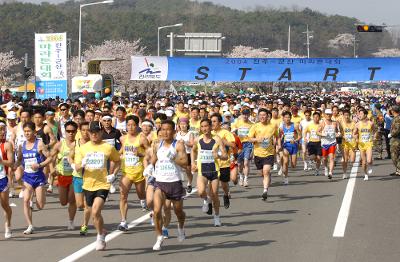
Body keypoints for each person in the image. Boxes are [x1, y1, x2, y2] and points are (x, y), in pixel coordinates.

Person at [74, 121, 121, 251]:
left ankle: (100, 236)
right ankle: (101, 231)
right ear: (88, 133)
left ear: (101, 132)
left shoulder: (107, 147)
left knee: (95, 211)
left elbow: (117, 161)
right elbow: (76, 167)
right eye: (91, 132)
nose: (94, 134)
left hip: (103, 184)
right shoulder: (83, 148)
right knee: (95, 215)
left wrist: (113, 175)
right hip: (88, 184)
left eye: (97, 132)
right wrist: (81, 165)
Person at [149, 120, 187, 251]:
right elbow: (153, 160)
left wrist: (173, 158)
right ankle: (159, 236)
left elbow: (184, 162)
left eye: (168, 129)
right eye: (163, 129)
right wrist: (149, 168)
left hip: (175, 182)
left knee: (178, 212)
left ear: (174, 131)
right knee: (157, 211)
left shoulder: (178, 145)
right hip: (160, 182)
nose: (165, 132)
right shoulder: (157, 145)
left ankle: (181, 227)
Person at [15, 122, 53, 234]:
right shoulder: (22, 145)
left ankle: (39, 197)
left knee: (40, 205)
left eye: (29, 131)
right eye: (25, 131)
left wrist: (39, 165)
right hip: (27, 178)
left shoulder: (39, 144)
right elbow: (19, 159)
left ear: (34, 132)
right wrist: (15, 165)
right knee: (26, 201)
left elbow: (49, 158)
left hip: (39, 178)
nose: (27, 133)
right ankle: (30, 225)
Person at [191, 118, 227, 225]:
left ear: (210, 127)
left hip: (214, 171)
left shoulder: (217, 139)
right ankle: (206, 200)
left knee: (214, 194)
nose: (204, 128)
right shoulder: (198, 139)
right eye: (202, 126)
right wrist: (193, 163)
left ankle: (216, 217)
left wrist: (219, 155)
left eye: (206, 126)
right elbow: (193, 150)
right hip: (202, 171)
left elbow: (225, 155)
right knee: (201, 192)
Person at [118, 115, 150, 232]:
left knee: (141, 194)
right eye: (128, 125)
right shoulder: (123, 138)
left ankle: (144, 203)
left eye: (133, 125)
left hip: (139, 171)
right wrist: (116, 155)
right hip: (126, 171)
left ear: (137, 126)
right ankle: (123, 221)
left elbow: (150, 153)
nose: (130, 127)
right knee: (122, 196)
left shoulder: (141, 138)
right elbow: (121, 151)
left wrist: (140, 154)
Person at [51, 121, 78, 230]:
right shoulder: (59, 144)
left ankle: (71, 222)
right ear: (64, 131)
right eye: (68, 131)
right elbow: (51, 157)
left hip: (74, 176)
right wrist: (52, 169)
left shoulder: (79, 145)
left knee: (72, 200)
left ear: (76, 132)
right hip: (62, 176)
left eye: (73, 131)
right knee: (63, 202)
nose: (70, 133)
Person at [248, 108, 279, 200]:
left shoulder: (273, 126)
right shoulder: (255, 126)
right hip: (258, 153)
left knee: (266, 171)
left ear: (267, 116)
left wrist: (278, 144)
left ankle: (265, 191)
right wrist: (256, 139)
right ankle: (268, 176)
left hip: (269, 153)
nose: (262, 117)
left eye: (264, 115)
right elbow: (249, 138)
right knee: (262, 173)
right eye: (260, 115)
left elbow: (277, 136)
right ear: (258, 116)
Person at [68, 121, 91, 236]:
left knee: (87, 204)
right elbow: (69, 157)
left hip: (90, 177)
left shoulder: (94, 144)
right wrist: (73, 165)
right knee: (79, 204)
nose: (86, 132)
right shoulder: (75, 143)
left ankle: (84, 225)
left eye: (88, 130)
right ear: (80, 131)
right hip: (77, 177)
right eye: (83, 130)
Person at [211, 113, 236, 209]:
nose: (212, 123)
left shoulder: (226, 133)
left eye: (214, 121)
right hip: (212, 164)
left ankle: (226, 195)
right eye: (211, 121)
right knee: (212, 187)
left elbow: (233, 145)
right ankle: (210, 203)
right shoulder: (209, 133)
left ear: (220, 123)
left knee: (224, 185)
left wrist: (222, 141)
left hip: (224, 163)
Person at [232, 109, 254, 187]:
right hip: (239, 145)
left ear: (249, 115)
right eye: (244, 114)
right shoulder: (237, 122)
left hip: (248, 144)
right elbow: (232, 132)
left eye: (247, 114)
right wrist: (235, 134)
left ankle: (246, 179)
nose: (245, 116)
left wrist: (253, 150)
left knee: (246, 162)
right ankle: (241, 177)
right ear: (242, 115)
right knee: (239, 164)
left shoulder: (252, 124)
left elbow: (253, 136)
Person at [279, 111, 301, 184]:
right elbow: (279, 137)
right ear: (283, 118)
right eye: (286, 117)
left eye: (288, 117)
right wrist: (280, 144)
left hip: (294, 146)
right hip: (286, 145)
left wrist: (295, 140)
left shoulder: (295, 126)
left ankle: (285, 170)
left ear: (290, 118)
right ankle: (285, 178)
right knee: (286, 162)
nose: (287, 118)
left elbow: (300, 136)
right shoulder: (282, 127)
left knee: (293, 165)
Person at [0, 122, 14, 239]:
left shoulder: (7, 145)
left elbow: (11, 163)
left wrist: (1, 161)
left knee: (5, 205)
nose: (2, 132)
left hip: (2, 179)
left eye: (4, 129)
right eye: (0, 130)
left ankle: (8, 224)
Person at [318, 109, 340, 179]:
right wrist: (322, 134)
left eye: (330, 114)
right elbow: (317, 132)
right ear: (324, 115)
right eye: (327, 114)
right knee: (324, 158)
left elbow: (337, 132)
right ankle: (325, 167)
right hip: (324, 143)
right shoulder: (322, 123)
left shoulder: (334, 123)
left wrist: (338, 134)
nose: (328, 115)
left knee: (331, 158)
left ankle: (330, 172)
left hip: (332, 143)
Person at [354, 108, 375, 181]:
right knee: (364, 161)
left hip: (369, 143)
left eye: (361, 114)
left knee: (368, 160)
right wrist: (356, 138)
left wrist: (374, 137)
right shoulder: (357, 124)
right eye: (359, 114)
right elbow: (354, 133)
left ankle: (370, 165)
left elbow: (375, 131)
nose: (359, 115)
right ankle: (365, 174)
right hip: (361, 144)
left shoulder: (370, 123)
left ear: (365, 115)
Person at [340, 110, 357, 179]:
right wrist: (343, 137)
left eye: (348, 115)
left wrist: (355, 138)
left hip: (352, 144)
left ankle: (348, 158)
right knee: (345, 160)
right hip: (344, 144)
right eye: (345, 115)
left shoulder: (353, 123)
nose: (346, 116)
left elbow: (356, 133)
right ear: (343, 116)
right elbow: (340, 133)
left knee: (352, 160)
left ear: (350, 115)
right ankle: (344, 173)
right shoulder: (341, 124)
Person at [389, 105, 400, 176]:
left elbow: (397, 129)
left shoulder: (398, 118)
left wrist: (391, 134)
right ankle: (398, 171)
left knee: (394, 156)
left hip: (396, 140)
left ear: (393, 111)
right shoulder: (395, 118)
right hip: (395, 139)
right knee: (397, 155)